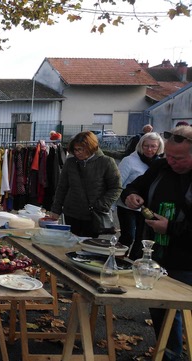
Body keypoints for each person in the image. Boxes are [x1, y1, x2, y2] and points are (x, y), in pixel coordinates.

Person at [121, 125, 192, 361]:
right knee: (160, 307)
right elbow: (133, 187)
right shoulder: (161, 167)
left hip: (186, 257)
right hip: (154, 252)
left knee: (182, 310)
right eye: (168, 155)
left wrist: (170, 227)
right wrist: (131, 196)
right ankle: (168, 354)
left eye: (178, 158)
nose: (171, 161)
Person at [48, 131, 122, 237]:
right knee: (70, 246)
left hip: (94, 215)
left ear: (90, 147)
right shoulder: (70, 163)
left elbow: (116, 187)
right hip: (71, 213)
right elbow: (62, 187)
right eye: (75, 150)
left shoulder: (106, 162)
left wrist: (102, 204)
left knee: (89, 247)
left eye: (81, 149)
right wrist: (56, 210)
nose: (77, 153)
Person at [115, 132, 164, 259]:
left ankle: (133, 263)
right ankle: (116, 258)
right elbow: (117, 184)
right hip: (127, 206)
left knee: (141, 239)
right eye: (146, 146)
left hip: (146, 208)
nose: (149, 149)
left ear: (159, 147)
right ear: (140, 146)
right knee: (128, 235)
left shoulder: (160, 163)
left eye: (153, 146)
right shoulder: (129, 161)